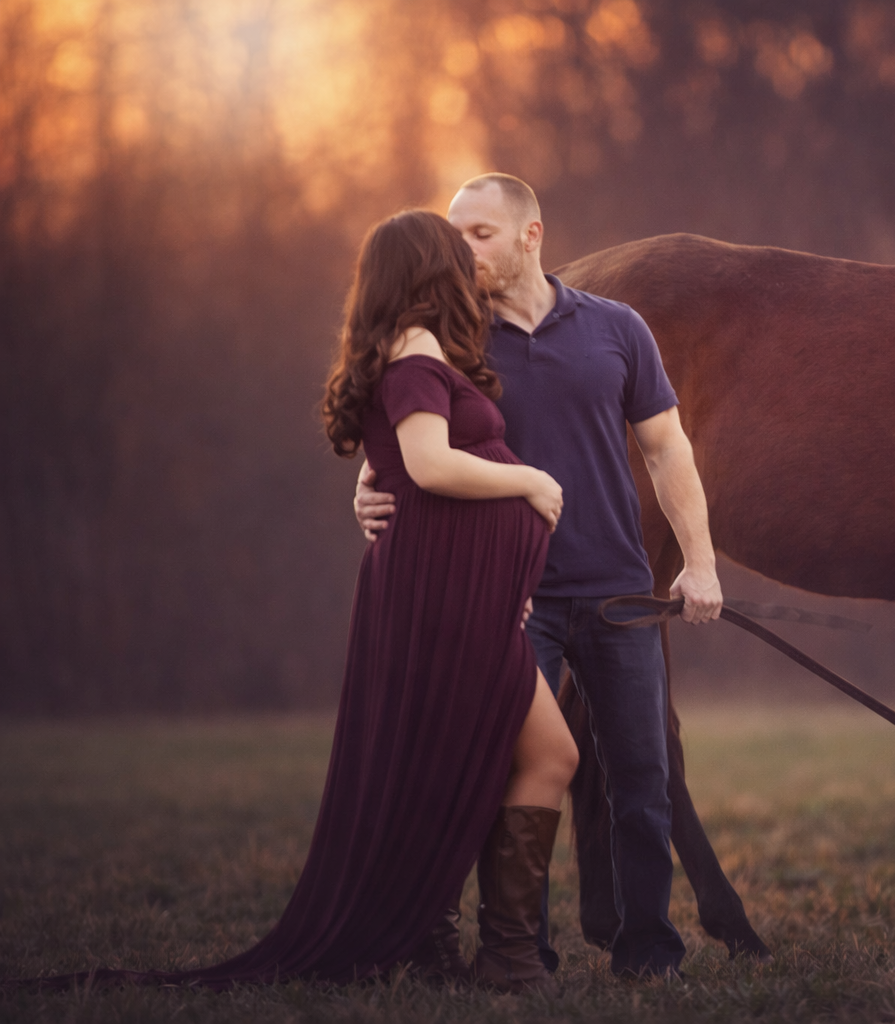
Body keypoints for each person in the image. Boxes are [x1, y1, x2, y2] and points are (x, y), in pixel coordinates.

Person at [17, 210, 578, 993]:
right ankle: (485, 953)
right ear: (426, 273)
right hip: (441, 596)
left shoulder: (416, 354)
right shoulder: (416, 356)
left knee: (493, 759)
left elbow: (404, 464)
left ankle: (463, 946)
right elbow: (428, 465)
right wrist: (532, 483)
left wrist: (502, 572)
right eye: (455, 256)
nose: (467, 269)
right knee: (530, 756)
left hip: (461, 592)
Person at [355, 173, 723, 978]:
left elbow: (667, 448)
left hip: (620, 589)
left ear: (531, 234)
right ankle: (521, 948)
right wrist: (369, 482)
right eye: (455, 236)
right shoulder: (452, 339)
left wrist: (698, 562)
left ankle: (648, 950)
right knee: (506, 767)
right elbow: (408, 428)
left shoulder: (618, 329)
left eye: (479, 233)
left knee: (642, 777)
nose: (462, 249)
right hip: (510, 596)